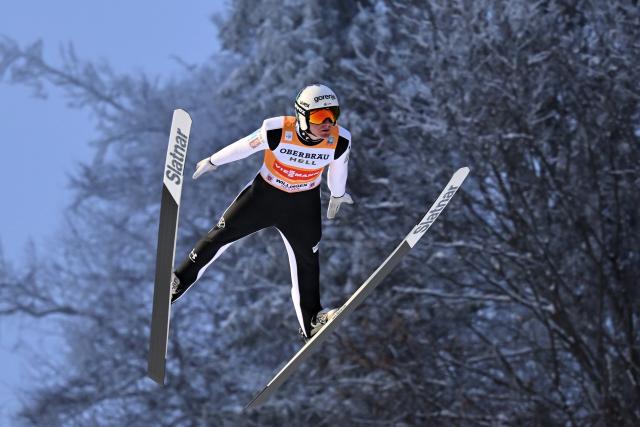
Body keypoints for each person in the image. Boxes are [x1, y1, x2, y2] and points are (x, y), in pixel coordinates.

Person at [170, 84, 353, 341]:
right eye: (320, 116)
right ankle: (177, 282)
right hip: (264, 196)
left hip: (302, 204)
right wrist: (214, 161)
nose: (328, 123)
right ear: (302, 116)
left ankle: (311, 320)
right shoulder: (278, 130)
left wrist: (337, 194)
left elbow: (338, 170)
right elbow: (245, 147)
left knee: (308, 260)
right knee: (219, 236)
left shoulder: (340, 139)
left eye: (333, 115)